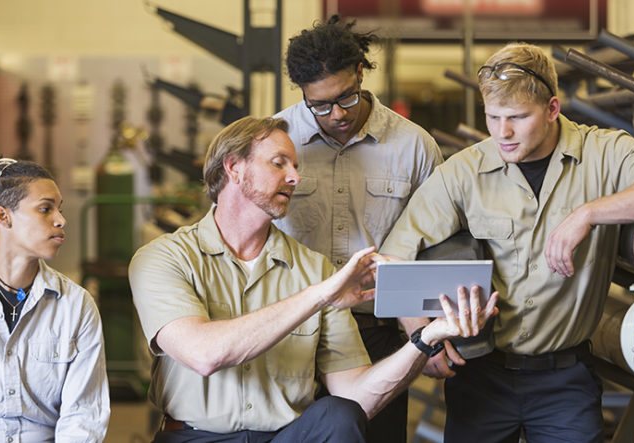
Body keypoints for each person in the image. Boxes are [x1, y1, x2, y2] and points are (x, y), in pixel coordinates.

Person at [129, 116, 497, 443]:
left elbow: (356, 397)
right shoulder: (164, 258)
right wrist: (319, 296)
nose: (295, 177)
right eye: (278, 163)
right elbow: (204, 354)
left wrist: (425, 339)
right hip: (196, 437)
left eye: (295, 165)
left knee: (339, 414)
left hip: (286, 435)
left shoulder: (315, 269)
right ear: (234, 168)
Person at [379, 42, 634, 442]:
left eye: (517, 117)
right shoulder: (464, 172)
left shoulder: (603, 153)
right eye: (492, 117)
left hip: (566, 380)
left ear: (552, 109)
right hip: (481, 377)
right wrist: (419, 335)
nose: (502, 132)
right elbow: (395, 259)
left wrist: (588, 213)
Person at [272, 16, 445, 441]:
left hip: (377, 336)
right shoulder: (275, 142)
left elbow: (436, 246)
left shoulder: (413, 147)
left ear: (361, 74)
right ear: (303, 94)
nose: (336, 114)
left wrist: (425, 328)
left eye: (346, 98)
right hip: (292, 336)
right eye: (320, 105)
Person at [0, 148, 110, 442]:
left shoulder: (76, 305)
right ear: (3, 217)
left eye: (60, 209)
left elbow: (84, 418)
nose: (61, 220)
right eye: (46, 209)